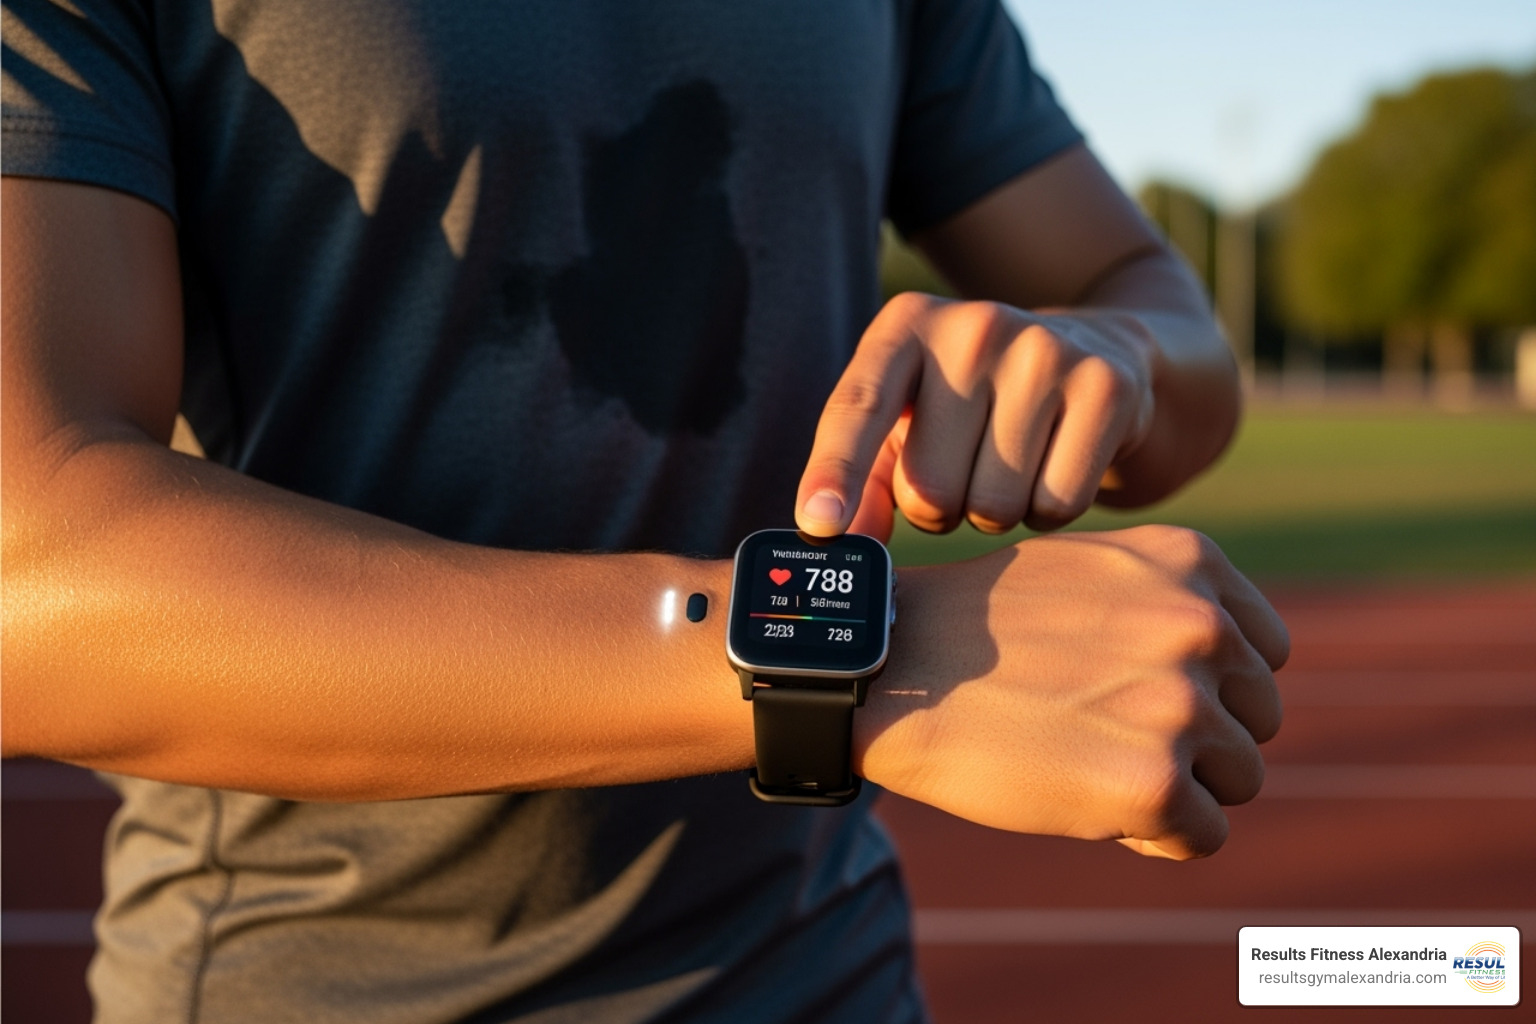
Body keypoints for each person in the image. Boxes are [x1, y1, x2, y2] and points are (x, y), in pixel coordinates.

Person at [1, 1, 1288, 1021]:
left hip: (830, 978)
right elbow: (29, 583)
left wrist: (1105, 349)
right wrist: (851, 660)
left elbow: (1172, 333)